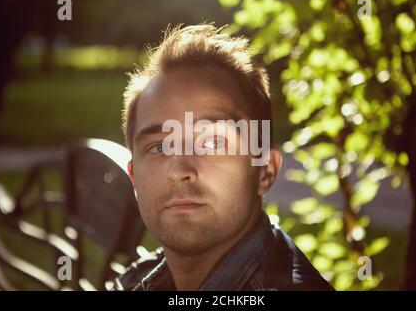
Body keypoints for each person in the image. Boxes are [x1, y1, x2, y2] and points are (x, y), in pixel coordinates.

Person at [112, 24, 333, 291]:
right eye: (159, 147)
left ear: (265, 170)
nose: (180, 169)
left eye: (213, 142)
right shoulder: (147, 278)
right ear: (134, 176)